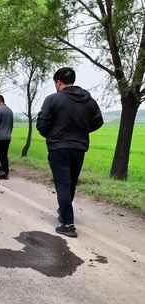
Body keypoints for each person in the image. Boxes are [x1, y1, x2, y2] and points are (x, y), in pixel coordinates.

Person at [37, 67, 104, 238]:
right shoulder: (88, 100)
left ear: (59, 82)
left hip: (58, 148)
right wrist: (82, 131)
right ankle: (64, 211)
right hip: (79, 147)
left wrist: (52, 135)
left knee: (63, 184)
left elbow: (42, 124)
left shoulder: (53, 99)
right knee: (71, 183)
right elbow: (98, 121)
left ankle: (67, 224)